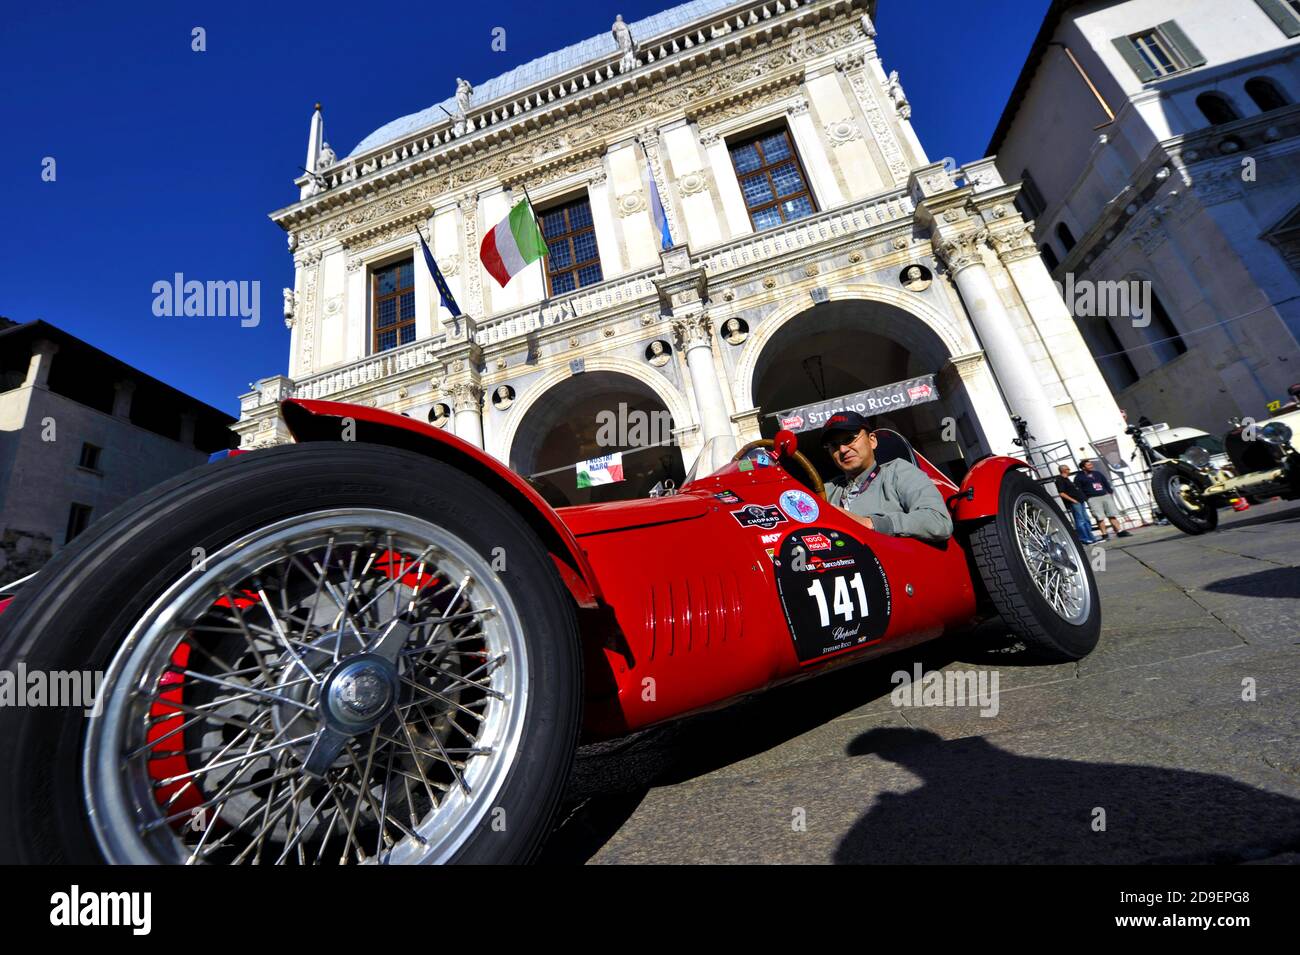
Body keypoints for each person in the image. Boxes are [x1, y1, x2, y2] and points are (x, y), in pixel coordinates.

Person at [821, 411, 952, 544]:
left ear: (872, 440)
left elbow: (939, 521)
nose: (842, 449)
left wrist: (872, 523)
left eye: (849, 439)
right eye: (834, 445)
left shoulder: (898, 472)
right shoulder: (827, 490)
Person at [1074, 459, 1131, 539]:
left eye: (1091, 464)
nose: (1091, 466)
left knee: (1111, 514)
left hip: (1104, 495)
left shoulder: (1097, 473)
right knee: (1099, 517)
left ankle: (1119, 531)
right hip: (1093, 498)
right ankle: (1104, 534)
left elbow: (1105, 482)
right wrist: (1086, 498)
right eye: (1088, 465)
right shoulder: (1079, 477)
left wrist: (1110, 491)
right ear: (1083, 467)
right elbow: (1079, 489)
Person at [1055, 464, 1100, 544]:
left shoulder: (1067, 479)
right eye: (1068, 469)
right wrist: (1073, 500)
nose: (1069, 470)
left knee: (1086, 519)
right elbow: (1061, 493)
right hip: (1074, 502)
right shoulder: (1060, 479)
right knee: (1080, 521)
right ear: (1064, 470)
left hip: (1080, 501)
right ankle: (1084, 538)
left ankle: (1091, 537)